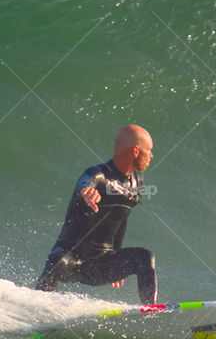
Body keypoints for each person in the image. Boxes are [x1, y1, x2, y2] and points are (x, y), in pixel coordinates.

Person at [34, 124, 158, 304]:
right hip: (73, 261)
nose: (151, 155)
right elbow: (86, 182)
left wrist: (117, 259)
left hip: (101, 264)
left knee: (144, 257)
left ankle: (151, 312)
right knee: (57, 259)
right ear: (136, 151)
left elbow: (121, 219)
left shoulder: (137, 182)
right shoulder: (98, 174)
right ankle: (39, 306)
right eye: (149, 150)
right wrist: (86, 191)